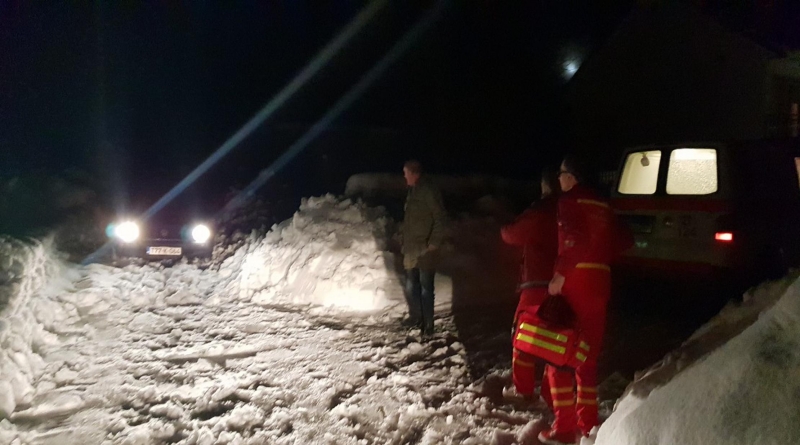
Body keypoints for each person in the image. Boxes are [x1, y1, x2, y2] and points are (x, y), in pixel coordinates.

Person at [539, 155, 631, 445]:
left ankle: (564, 429)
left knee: (560, 356)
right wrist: (599, 256)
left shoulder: (569, 201)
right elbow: (624, 240)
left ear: (572, 176)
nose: (559, 179)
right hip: (600, 282)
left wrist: (560, 276)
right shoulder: (603, 204)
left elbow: (574, 239)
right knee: (587, 357)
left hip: (575, 282)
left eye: (562, 173)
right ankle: (589, 423)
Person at [500, 168, 559, 408]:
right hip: (564, 285)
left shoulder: (541, 210)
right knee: (556, 340)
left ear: (545, 187)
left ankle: (523, 389)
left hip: (536, 286)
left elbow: (511, 234)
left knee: (522, 337)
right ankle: (551, 392)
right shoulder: (569, 209)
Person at [400, 160, 446, 338]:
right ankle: (416, 318)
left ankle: (428, 325)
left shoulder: (428, 190)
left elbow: (440, 217)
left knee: (426, 288)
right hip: (411, 248)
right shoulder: (412, 190)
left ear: (413, 173)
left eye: (405, 173)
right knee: (412, 285)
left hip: (426, 248)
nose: (404, 176)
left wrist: (434, 242)